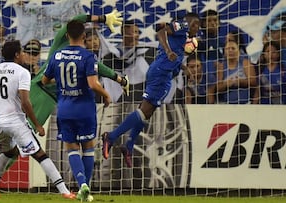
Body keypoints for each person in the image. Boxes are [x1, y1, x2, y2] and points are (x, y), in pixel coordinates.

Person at [0, 10, 126, 197]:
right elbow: (76, 22)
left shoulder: (83, 56)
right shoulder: (62, 46)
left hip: (51, 102)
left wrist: (118, 78)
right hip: (40, 94)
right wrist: (103, 18)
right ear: (81, 35)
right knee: (39, 147)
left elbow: (99, 68)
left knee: (14, 150)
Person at [101, 13, 200, 167]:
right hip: (160, 73)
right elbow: (161, 33)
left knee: (145, 114)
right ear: (189, 22)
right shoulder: (182, 26)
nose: (197, 28)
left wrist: (184, 67)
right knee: (143, 112)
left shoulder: (182, 37)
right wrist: (168, 51)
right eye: (195, 24)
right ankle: (111, 137)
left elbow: (173, 54)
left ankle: (128, 145)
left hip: (165, 75)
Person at [0, 40, 74, 199]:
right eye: (22, 52)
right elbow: (25, 102)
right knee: (40, 154)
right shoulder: (21, 72)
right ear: (17, 55)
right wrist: (37, 125)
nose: (24, 54)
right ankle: (65, 191)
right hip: (15, 122)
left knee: (9, 153)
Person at [42, 19, 111, 202]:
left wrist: (62, 82)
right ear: (84, 36)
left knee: (71, 148)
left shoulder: (56, 55)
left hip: (64, 109)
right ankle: (85, 188)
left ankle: (82, 185)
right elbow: (93, 84)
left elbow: (44, 81)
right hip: (85, 109)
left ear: (66, 36)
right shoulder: (88, 57)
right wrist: (106, 95)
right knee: (88, 148)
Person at [215, 40, 256, 104]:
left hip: (245, 104)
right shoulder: (221, 66)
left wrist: (241, 82)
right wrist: (226, 84)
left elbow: (253, 82)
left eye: (233, 48)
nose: (230, 50)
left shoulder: (245, 63)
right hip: (226, 105)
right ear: (224, 52)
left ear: (239, 51)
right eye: (228, 49)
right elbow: (218, 88)